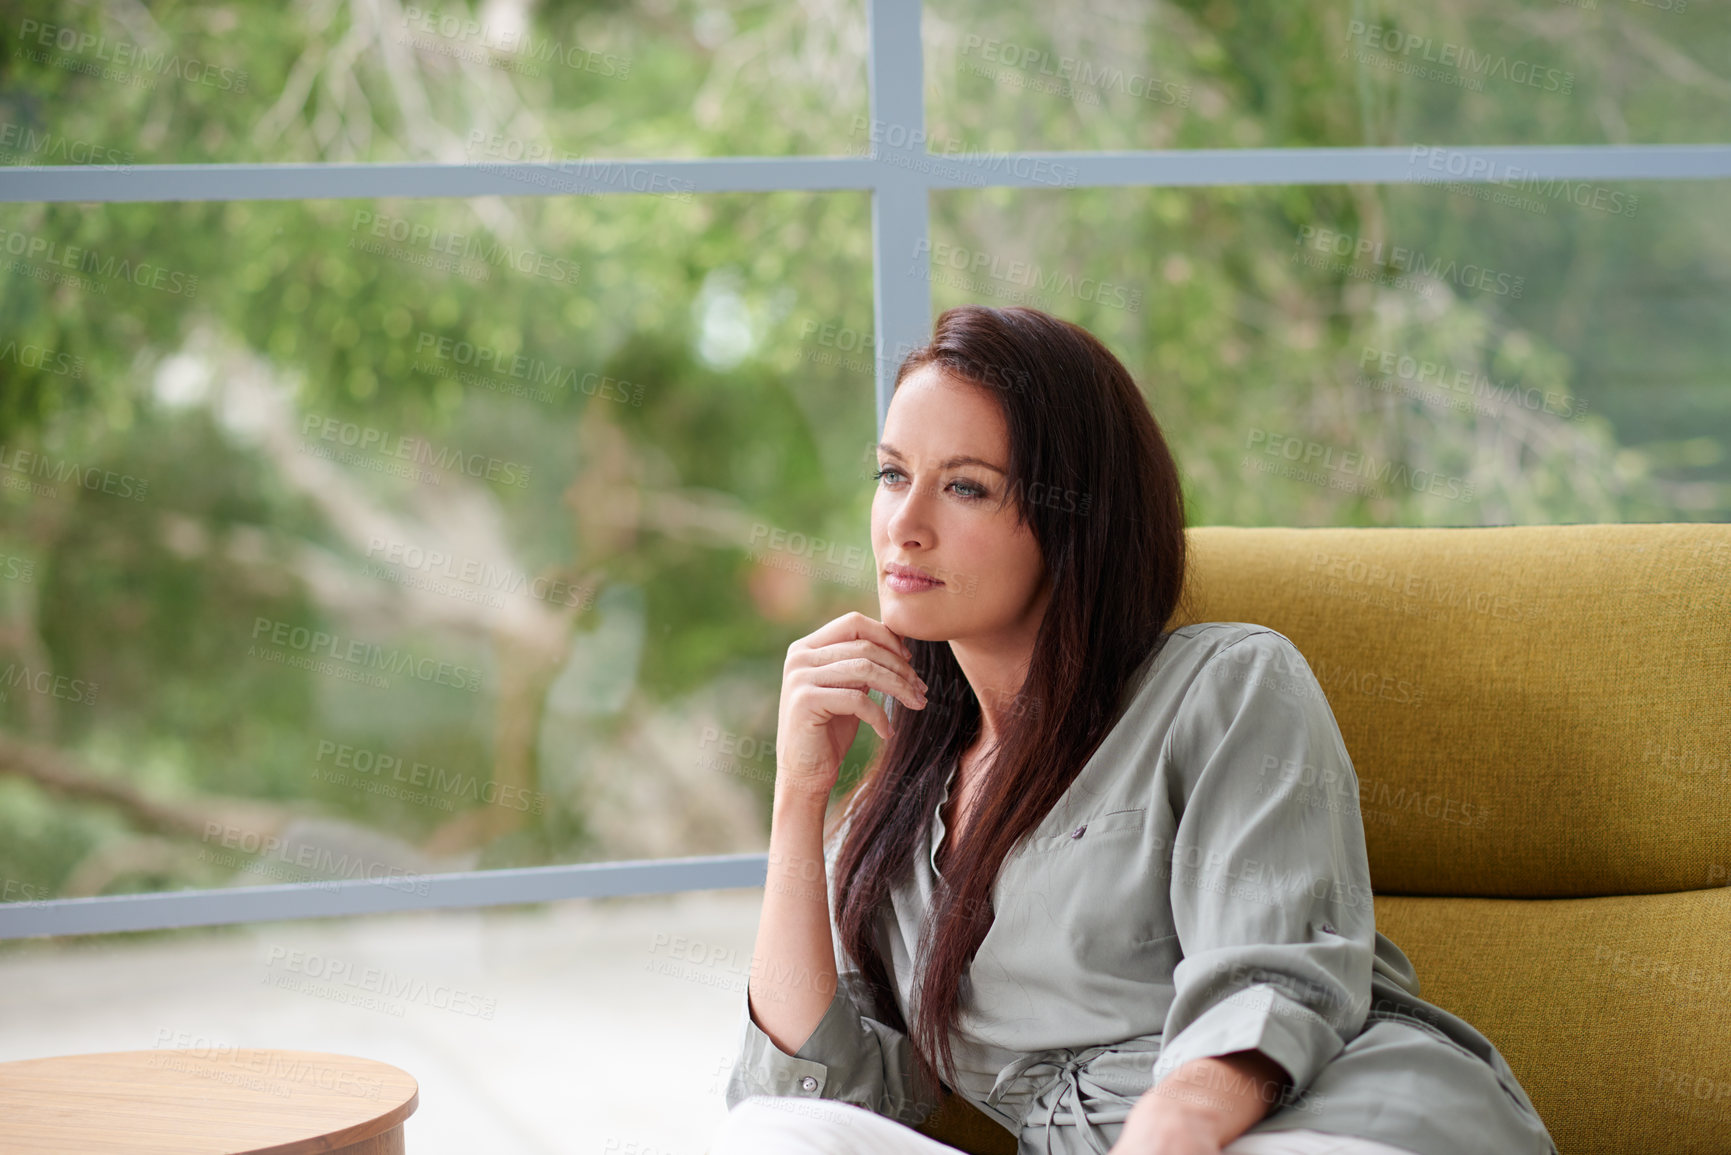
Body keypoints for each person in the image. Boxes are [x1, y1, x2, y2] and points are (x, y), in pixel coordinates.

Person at [713, 305, 1557, 1155]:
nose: (905, 522)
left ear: (1073, 516)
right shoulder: (900, 806)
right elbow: (814, 1085)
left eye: (965, 485)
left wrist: (1171, 1128)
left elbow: (1274, 977)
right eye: (893, 474)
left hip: (1313, 1121)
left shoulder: (1223, 685)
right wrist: (798, 794)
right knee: (771, 1137)